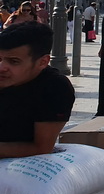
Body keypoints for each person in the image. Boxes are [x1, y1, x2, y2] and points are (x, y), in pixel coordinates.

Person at [0, 21, 75, 158]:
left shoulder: (54, 88)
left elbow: (41, 148)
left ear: (43, 62)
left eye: (14, 61)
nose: (2, 67)